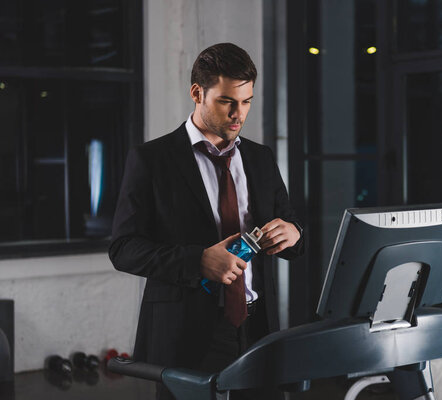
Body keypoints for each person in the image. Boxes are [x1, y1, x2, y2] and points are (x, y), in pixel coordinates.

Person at [109, 43, 304, 399]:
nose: (238, 114)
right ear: (197, 93)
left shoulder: (260, 158)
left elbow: (289, 224)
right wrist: (198, 260)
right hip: (184, 334)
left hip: (257, 327)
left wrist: (293, 233)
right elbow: (123, 249)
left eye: (246, 101)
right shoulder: (152, 159)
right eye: (227, 101)